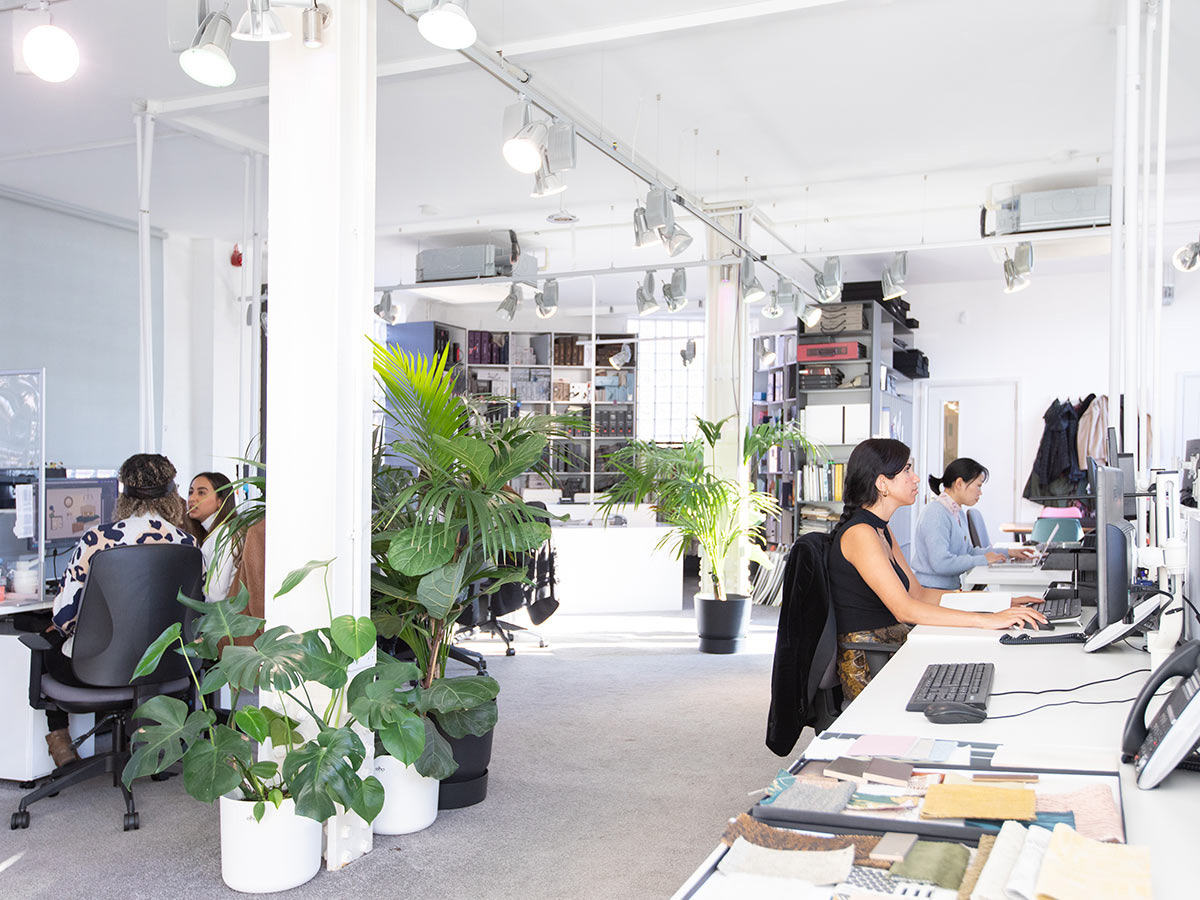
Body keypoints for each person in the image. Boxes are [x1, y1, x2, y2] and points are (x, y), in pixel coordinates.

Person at [828, 439, 1046, 700]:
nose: (916, 478)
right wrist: (986, 619)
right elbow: (905, 609)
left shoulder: (881, 529)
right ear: (882, 483)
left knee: (985, 663)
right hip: (870, 662)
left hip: (892, 646)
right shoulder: (860, 534)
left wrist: (999, 602)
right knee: (977, 664)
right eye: (907, 470)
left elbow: (919, 594)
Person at [46, 454, 197, 767]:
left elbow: (64, 619)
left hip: (98, 671)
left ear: (123, 495)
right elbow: (196, 614)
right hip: (167, 669)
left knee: (46, 642)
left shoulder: (96, 540)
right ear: (172, 495)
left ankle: (59, 741)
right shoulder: (188, 543)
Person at [911, 458, 1034, 589]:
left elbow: (968, 551)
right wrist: (984, 559)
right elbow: (941, 563)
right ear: (959, 483)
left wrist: (1008, 552)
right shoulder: (936, 513)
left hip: (946, 589)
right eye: (978, 486)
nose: (980, 492)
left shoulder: (956, 512)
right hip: (930, 591)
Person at [186, 471, 237, 604]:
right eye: (191, 492)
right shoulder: (214, 533)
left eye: (201, 493)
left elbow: (215, 595)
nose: (192, 499)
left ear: (220, 501)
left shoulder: (224, 534)